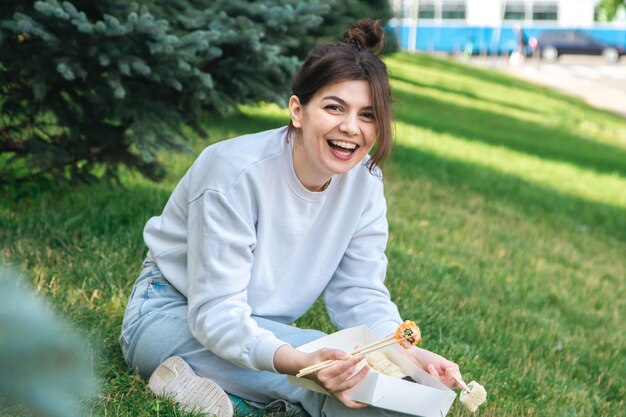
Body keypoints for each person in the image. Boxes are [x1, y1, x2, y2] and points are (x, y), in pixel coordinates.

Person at [119, 18, 462, 417]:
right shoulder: (233, 172)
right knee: (337, 383)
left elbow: (360, 292)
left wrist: (406, 356)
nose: (351, 128)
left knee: (378, 386)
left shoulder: (365, 183)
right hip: (174, 316)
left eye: (368, 115)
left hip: (261, 329)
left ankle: (227, 398)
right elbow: (215, 314)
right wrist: (303, 364)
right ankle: (235, 397)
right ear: (298, 111)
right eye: (335, 108)